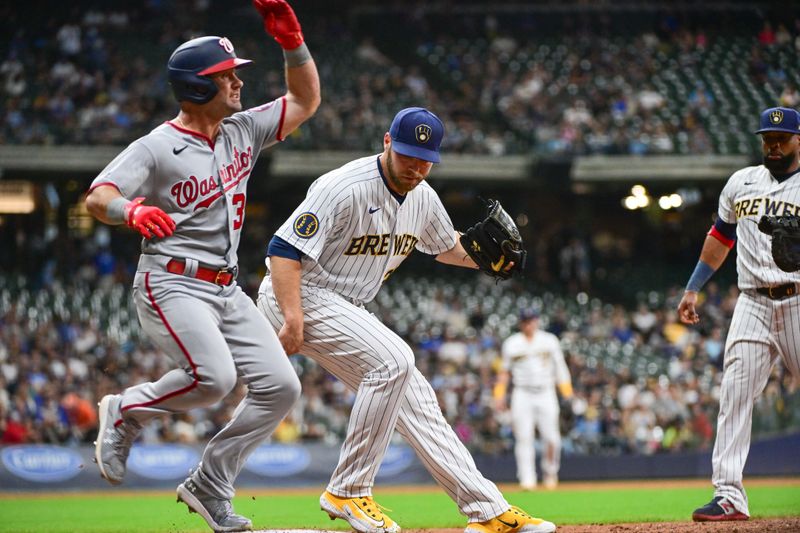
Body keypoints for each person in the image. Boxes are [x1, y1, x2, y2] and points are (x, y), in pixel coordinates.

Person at [257, 107, 556, 533]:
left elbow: (444, 245)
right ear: (386, 143)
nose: (416, 166)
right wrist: (291, 317)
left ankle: (486, 511)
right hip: (300, 292)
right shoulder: (342, 187)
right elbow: (283, 250)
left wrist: (488, 260)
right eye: (407, 155)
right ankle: (348, 490)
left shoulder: (423, 197)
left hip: (347, 304)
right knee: (394, 359)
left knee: (419, 405)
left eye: (425, 158)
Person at [84, 1, 320, 531]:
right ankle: (125, 411)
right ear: (195, 87)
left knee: (281, 387)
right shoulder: (157, 146)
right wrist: (133, 209)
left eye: (235, 74)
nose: (237, 83)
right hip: (171, 281)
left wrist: (293, 42)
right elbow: (98, 197)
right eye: (225, 76)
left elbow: (305, 100)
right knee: (214, 378)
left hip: (226, 287)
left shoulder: (242, 130)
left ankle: (210, 485)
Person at [677, 106, 800, 522]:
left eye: (782, 139)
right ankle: (728, 494)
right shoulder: (740, 182)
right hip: (752, 302)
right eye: (768, 138)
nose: (774, 145)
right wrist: (694, 287)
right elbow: (720, 237)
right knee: (734, 393)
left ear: (799, 140)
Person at [495, 309, 573, 491]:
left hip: (546, 392)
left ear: (537, 321)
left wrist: (567, 392)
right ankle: (527, 479)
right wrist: (498, 395)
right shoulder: (512, 343)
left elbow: (560, 368)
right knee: (523, 438)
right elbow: (504, 373)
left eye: (532, 320)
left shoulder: (549, 340)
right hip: (522, 393)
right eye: (525, 320)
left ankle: (550, 472)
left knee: (552, 437)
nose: (529, 323)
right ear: (521, 323)